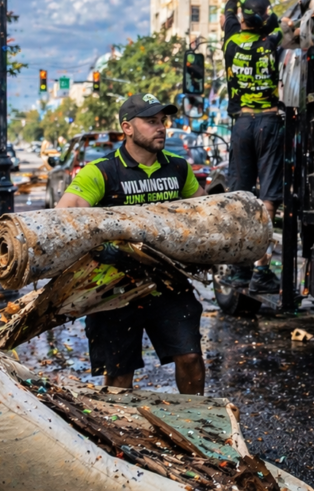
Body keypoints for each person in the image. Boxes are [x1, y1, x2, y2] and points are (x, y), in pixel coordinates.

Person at [57, 93, 206, 394]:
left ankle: (197, 425)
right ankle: (121, 434)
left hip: (166, 281)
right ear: (127, 128)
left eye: (162, 121)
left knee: (190, 356)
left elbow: (204, 213)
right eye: (151, 122)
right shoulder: (101, 172)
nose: (161, 127)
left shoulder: (178, 169)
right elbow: (65, 217)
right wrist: (99, 247)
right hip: (114, 287)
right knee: (120, 375)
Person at [221, 0, 285, 293]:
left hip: (243, 124)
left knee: (239, 196)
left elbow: (229, 13)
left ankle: (238, 270)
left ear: (242, 18)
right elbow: (282, 25)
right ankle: (261, 268)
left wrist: (233, 0)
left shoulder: (231, 41)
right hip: (270, 123)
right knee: (269, 196)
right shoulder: (272, 41)